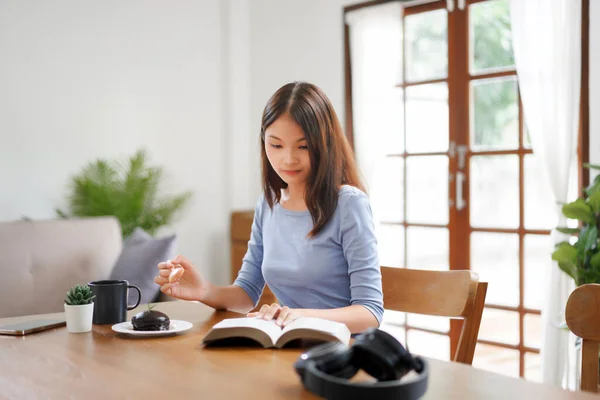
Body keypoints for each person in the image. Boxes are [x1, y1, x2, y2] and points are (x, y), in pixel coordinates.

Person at [155, 82, 383, 334]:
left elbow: (370, 312)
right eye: (276, 145)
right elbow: (246, 293)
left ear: (325, 144)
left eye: (303, 146)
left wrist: (299, 316)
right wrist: (205, 291)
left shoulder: (349, 204)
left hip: (343, 353)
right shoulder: (269, 204)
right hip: (293, 345)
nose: (288, 159)